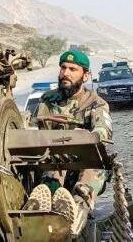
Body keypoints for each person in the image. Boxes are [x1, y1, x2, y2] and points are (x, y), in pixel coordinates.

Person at [24, 50, 112, 234]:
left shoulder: (96, 103)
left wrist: (84, 137)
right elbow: (32, 132)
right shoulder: (47, 101)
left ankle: (78, 210)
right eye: (63, 68)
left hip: (84, 164)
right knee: (52, 172)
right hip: (54, 164)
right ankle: (41, 207)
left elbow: (103, 132)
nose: (66, 73)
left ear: (85, 75)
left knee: (94, 168)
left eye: (73, 69)